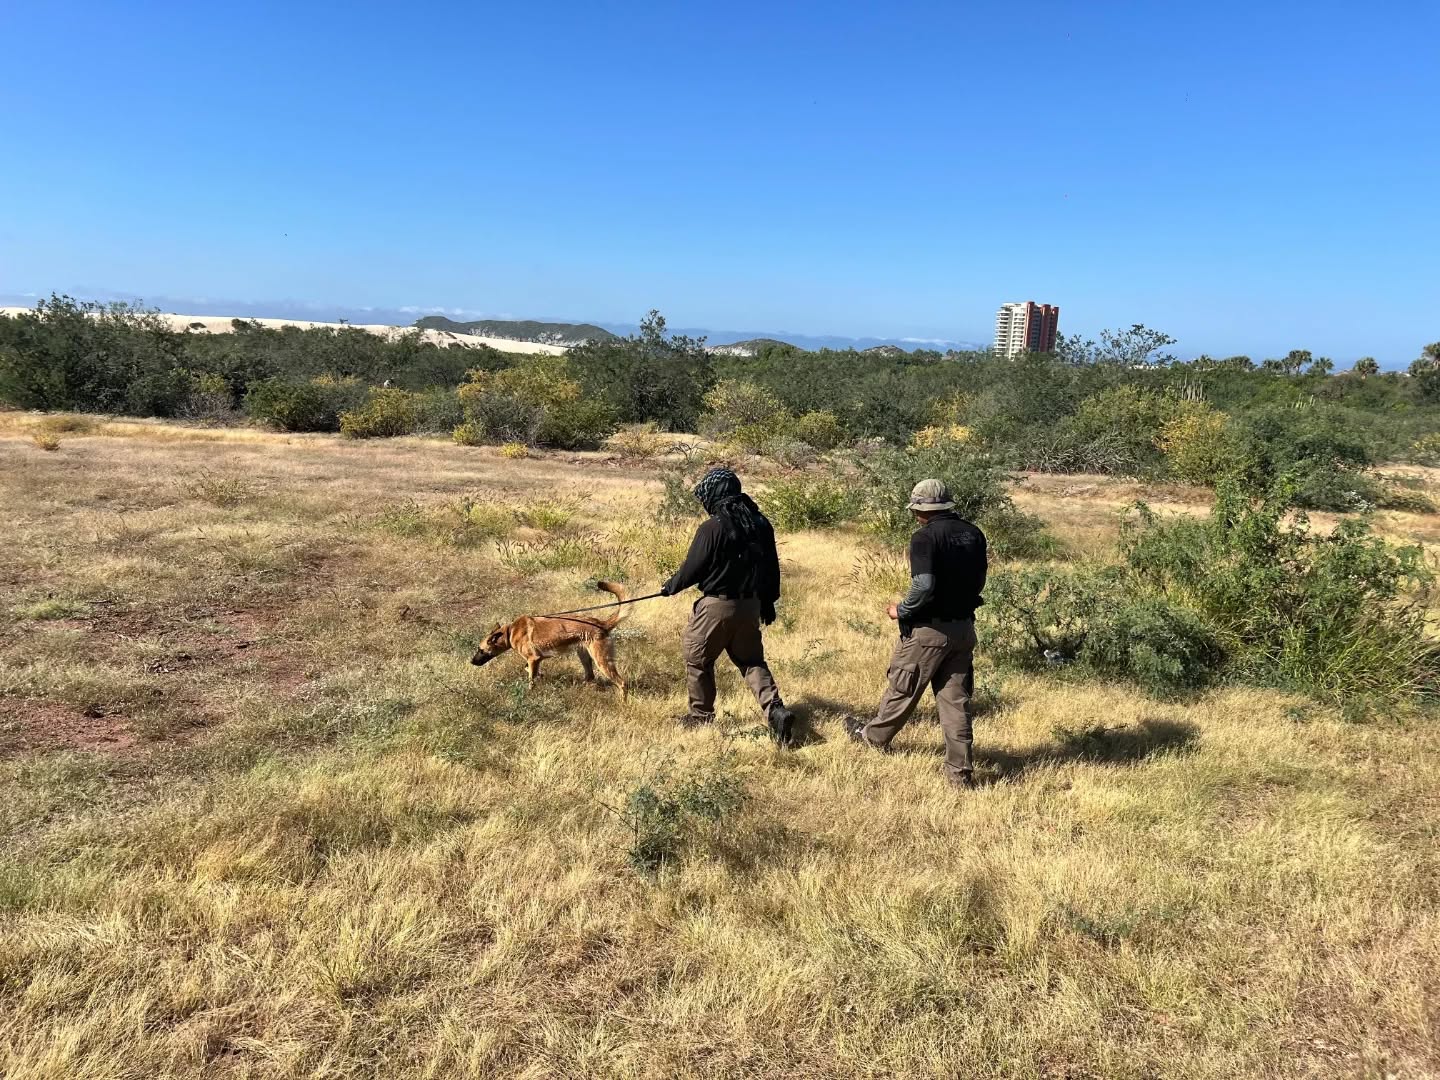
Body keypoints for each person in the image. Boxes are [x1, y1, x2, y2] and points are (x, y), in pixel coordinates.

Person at [846, 479, 987, 788]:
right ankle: (959, 774)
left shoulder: (924, 538)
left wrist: (903, 610)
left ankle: (872, 737)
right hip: (964, 628)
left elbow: (923, 585)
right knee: (956, 703)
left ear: (922, 510)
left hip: (929, 631)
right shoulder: (973, 533)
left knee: (903, 688)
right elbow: (979, 580)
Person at [660, 467, 795, 745]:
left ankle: (700, 718)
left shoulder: (713, 527)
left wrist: (670, 586)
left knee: (698, 659)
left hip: (716, 607)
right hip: (750, 606)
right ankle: (775, 710)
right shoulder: (760, 523)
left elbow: (692, 569)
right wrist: (768, 602)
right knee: (751, 661)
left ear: (716, 494)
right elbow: (772, 568)